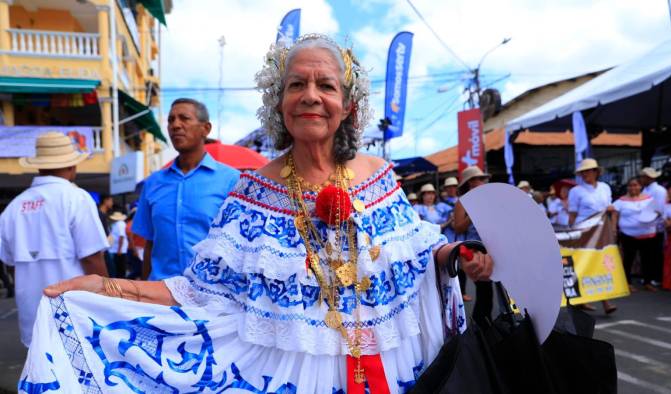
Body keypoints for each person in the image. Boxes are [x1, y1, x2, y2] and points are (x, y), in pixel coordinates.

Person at [28, 34, 493, 392]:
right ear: (280, 104)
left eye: (325, 85)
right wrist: (104, 286)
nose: (311, 95)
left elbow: (419, 250)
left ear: (348, 105)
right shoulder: (251, 191)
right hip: (289, 373)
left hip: (388, 366)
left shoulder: (379, 176)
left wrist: (460, 253)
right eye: (297, 85)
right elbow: (198, 290)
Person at [0, 132, 108, 347]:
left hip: (33, 318)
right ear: (72, 167)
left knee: (42, 378)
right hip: (75, 315)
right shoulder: (76, 198)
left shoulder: (12, 209)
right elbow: (92, 258)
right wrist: (110, 296)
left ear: (39, 166)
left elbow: (11, 265)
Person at [132, 98, 240, 280]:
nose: (175, 125)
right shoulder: (152, 183)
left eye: (184, 118)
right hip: (161, 295)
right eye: (171, 120)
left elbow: (240, 244)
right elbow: (150, 242)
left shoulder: (231, 180)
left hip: (211, 295)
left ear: (205, 129)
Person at [567, 158, 617, 314]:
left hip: (602, 230)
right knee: (584, 264)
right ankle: (585, 299)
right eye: (583, 172)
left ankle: (605, 301)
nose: (585, 174)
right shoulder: (576, 191)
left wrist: (613, 227)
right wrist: (570, 233)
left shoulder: (605, 188)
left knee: (601, 263)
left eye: (588, 171)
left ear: (596, 172)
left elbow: (610, 209)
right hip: (583, 231)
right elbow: (573, 215)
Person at [452, 166, 492, 317]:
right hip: (473, 250)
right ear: (470, 182)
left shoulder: (487, 200)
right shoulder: (462, 203)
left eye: (482, 179)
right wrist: (474, 212)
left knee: (490, 292)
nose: (482, 182)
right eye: (479, 179)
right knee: (485, 291)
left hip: (490, 249)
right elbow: (458, 228)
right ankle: (481, 327)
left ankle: (484, 327)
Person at [610, 177, 658, 292]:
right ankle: (627, 282)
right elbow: (614, 214)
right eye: (630, 185)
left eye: (635, 185)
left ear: (640, 186)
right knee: (628, 259)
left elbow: (655, 211)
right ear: (627, 187)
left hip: (648, 234)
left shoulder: (649, 199)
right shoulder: (621, 201)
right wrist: (613, 229)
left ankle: (647, 282)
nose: (633, 188)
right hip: (628, 234)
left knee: (647, 259)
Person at [639, 167, 668, 289]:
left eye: (642, 177)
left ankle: (657, 277)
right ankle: (648, 276)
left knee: (656, 253)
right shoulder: (645, 189)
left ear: (648, 178)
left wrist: (651, 220)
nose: (641, 179)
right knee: (647, 253)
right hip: (645, 224)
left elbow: (660, 209)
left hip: (655, 225)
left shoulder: (659, 190)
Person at [107, 210, 129, 278]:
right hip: (115, 249)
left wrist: (119, 249)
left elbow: (121, 236)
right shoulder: (115, 224)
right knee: (117, 268)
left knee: (120, 269)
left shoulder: (120, 224)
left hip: (119, 250)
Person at [441, 177, 462, 243]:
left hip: (462, 236)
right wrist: (449, 220)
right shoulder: (440, 205)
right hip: (448, 237)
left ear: (456, 188)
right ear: (445, 189)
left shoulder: (462, 200)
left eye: (454, 186)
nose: (451, 189)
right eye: (449, 187)